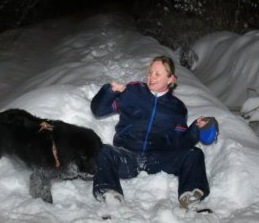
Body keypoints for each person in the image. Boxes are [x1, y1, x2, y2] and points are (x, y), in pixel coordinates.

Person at [90, 55, 218, 211]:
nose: (151, 77)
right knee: (103, 150)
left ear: (171, 79)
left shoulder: (177, 108)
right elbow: (98, 110)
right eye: (150, 72)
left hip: (157, 160)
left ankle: (190, 196)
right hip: (127, 155)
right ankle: (110, 194)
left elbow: (180, 143)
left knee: (194, 153)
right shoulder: (132, 92)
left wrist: (197, 129)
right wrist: (110, 92)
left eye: (158, 74)